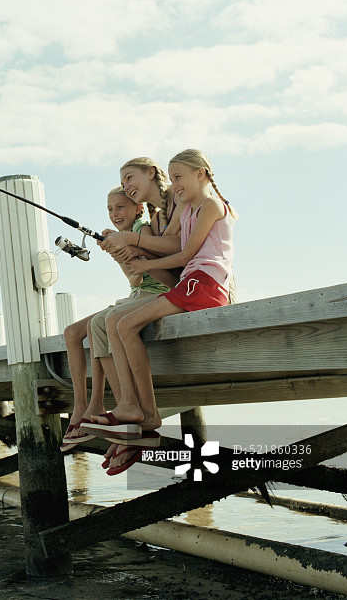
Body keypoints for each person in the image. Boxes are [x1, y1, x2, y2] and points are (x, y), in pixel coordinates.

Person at [87, 149, 236, 475]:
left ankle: (143, 413)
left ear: (200, 173)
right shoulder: (180, 211)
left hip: (202, 284)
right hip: (189, 282)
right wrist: (128, 251)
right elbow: (161, 258)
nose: (175, 184)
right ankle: (132, 411)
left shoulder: (206, 205)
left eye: (179, 177)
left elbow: (184, 252)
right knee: (119, 324)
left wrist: (139, 254)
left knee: (123, 325)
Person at [61, 183, 173, 452]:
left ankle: (119, 407)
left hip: (154, 294)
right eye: (110, 209)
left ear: (138, 208)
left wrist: (124, 248)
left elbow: (144, 277)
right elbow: (134, 279)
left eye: (120, 207)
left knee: (100, 323)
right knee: (74, 331)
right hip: (136, 295)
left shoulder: (141, 230)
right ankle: (92, 405)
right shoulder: (126, 235)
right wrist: (117, 254)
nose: (114, 213)